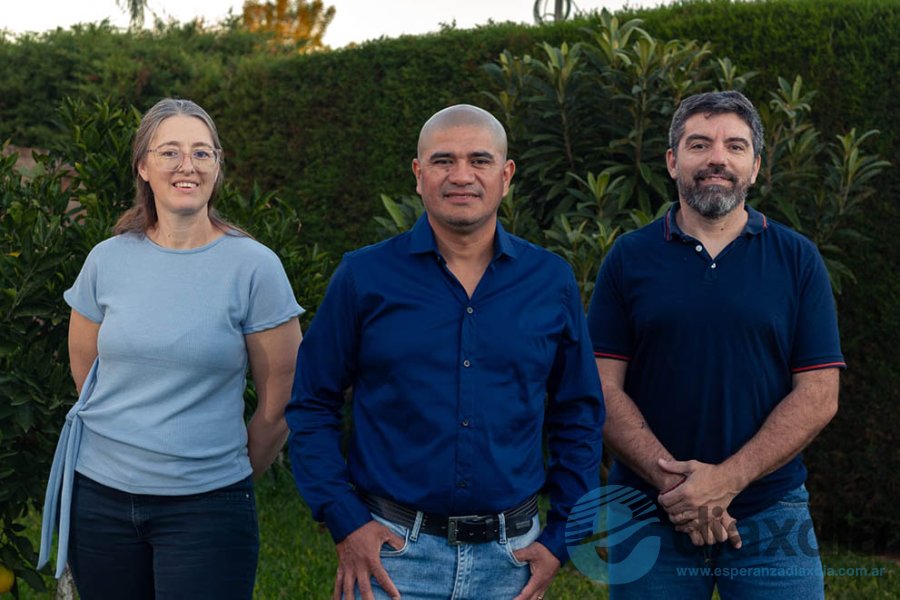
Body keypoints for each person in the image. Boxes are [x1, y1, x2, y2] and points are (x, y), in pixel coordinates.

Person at [287, 104, 605, 600]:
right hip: (390, 560)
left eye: (479, 160)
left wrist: (563, 536)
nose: (461, 176)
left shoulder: (550, 281)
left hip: (512, 564)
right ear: (418, 174)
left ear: (506, 175)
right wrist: (345, 521)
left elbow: (579, 412)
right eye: (442, 161)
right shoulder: (364, 278)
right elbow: (310, 403)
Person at [38, 98, 303, 599]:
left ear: (218, 166)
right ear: (143, 164)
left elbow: (280, 400)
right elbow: (87, 374)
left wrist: (214, 470)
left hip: (206, 507)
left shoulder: (254, 267)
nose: (188, 166)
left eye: (203, 153)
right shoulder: (106, 260)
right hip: (100, 502)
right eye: (171, 152)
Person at [586, 90, 844, 599]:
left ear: (755, 167)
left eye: (735, 146)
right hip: (648, 513)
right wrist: (681, 490)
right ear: (672, 161)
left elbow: (819, 394)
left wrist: (727, 480)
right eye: (699, 145)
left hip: (771, 513)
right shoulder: (628, 258)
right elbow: (599, 386)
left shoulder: (797, 260)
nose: (717, 159)